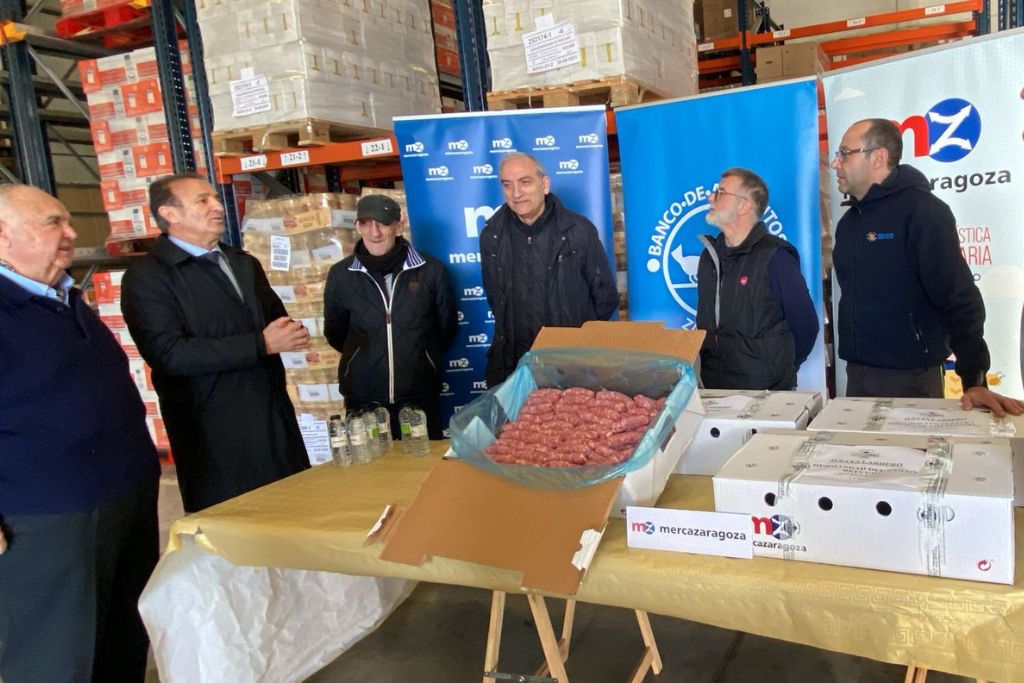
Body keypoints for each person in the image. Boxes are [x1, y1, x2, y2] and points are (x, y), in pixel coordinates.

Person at [0, 184, 160, 682]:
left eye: (68, 221)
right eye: (53, 223)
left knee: (123, 642)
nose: (71, 233)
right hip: (46, 517)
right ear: (2, 236)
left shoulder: (64, 298)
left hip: (122, 497)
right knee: (57, 655)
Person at [121, 173, 311, 513]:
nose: (217, 207)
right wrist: (260, 344)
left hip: (272, 420)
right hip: (214, 435)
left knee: (294, 514)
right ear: (170, 213)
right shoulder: (148, 277)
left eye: (215, 198)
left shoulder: (242, 263)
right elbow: (169, 354)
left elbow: (273, 321)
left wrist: (290, 332)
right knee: (236, 528)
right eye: (202, 201)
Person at [831, 118, 1024, 415]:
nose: (835, 163)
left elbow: (958, 297)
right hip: (858, 374)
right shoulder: (849, 223)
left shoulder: (923, 211)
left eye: (844, 153)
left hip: (911, 378)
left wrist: (974, 378)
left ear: (878, 157)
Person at [480, 152, 618, 386]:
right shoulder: (491, 235)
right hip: (514, 366)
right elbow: (495, 298)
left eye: (525, 182)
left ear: (544, 184)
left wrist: (575, 338)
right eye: (507, 185)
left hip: (572, 366)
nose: (516, 193)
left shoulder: (578, 231)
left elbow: (605, 297)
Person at [324, 194, 456, 439]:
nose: (374, 232)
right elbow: (335, 332)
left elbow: (445, 328)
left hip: (418, 395)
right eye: (366, 223)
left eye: (383, 223)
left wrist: (420, 357)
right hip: (363, 396)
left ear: (398, 225)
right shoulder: (341, 275)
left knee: (421, 461)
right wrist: (363, 357)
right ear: (357, 226)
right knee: (374, 463)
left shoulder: (431, 271)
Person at [696, 168, 818, 390]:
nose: (711, 198)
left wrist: (781, 367)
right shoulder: (709, 257)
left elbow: (806, 324)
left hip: (766, 392)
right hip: (712, 388)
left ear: (744, 205)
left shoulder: (776, 257)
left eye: (721, 192)